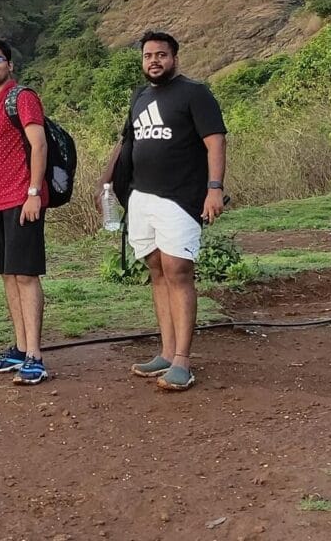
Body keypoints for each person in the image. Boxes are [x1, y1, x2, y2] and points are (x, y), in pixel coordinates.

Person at [99, 31, 227, 391]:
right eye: (148, 56)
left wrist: (214, 189)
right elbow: (127, 141)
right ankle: (167, 352)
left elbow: (215, 141)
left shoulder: (194, 93)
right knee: (156, 269)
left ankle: (183, 361)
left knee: (178, 270)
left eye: (161, 55)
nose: (154, 61)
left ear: (174, 58)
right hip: (141, 196)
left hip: (180, 197)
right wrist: (105, 182)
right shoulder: (139, 97)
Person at [0, 38, 50, 386]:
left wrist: (34, 193)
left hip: (22, 200)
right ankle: (19, 349)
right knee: (6, 274)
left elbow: (39, 144)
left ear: (10, 65)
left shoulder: (23, 98)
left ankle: (35, 355)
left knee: (25, 275)